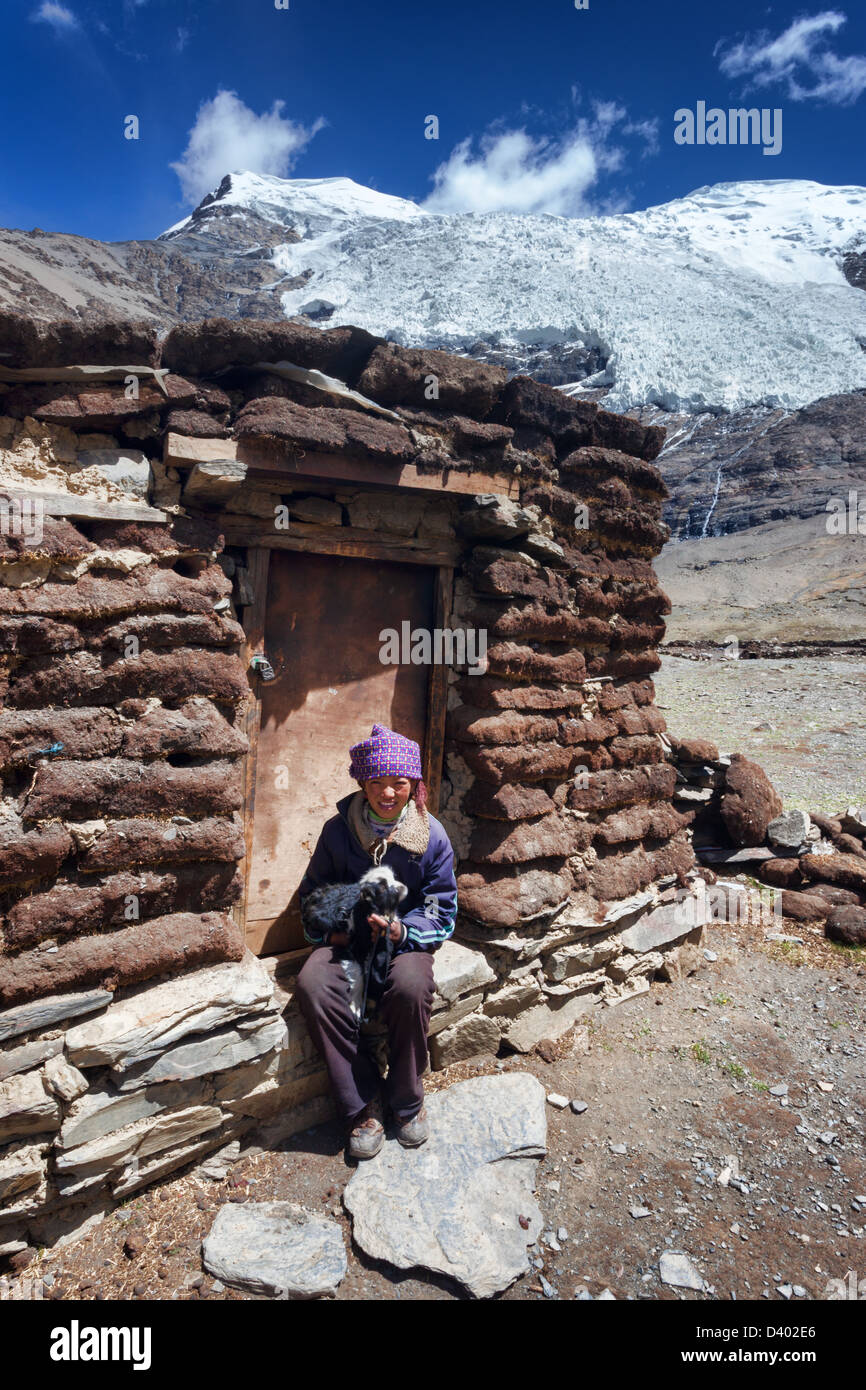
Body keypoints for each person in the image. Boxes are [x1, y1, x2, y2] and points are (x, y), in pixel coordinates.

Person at [295, 723, 457, 1161]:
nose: (388, 793)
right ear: (362, 784)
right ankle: (361, 1104)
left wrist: (404, 931)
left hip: (403, 942)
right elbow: (312, 893)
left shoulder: (431, 837)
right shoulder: (337, 833)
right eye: (377, 783)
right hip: (348, 938)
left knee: (410, 987)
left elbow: (442, 905)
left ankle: (406, 1102)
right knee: (313, 982)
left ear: (414, 785)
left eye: (399, 783)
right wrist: (340, 924)